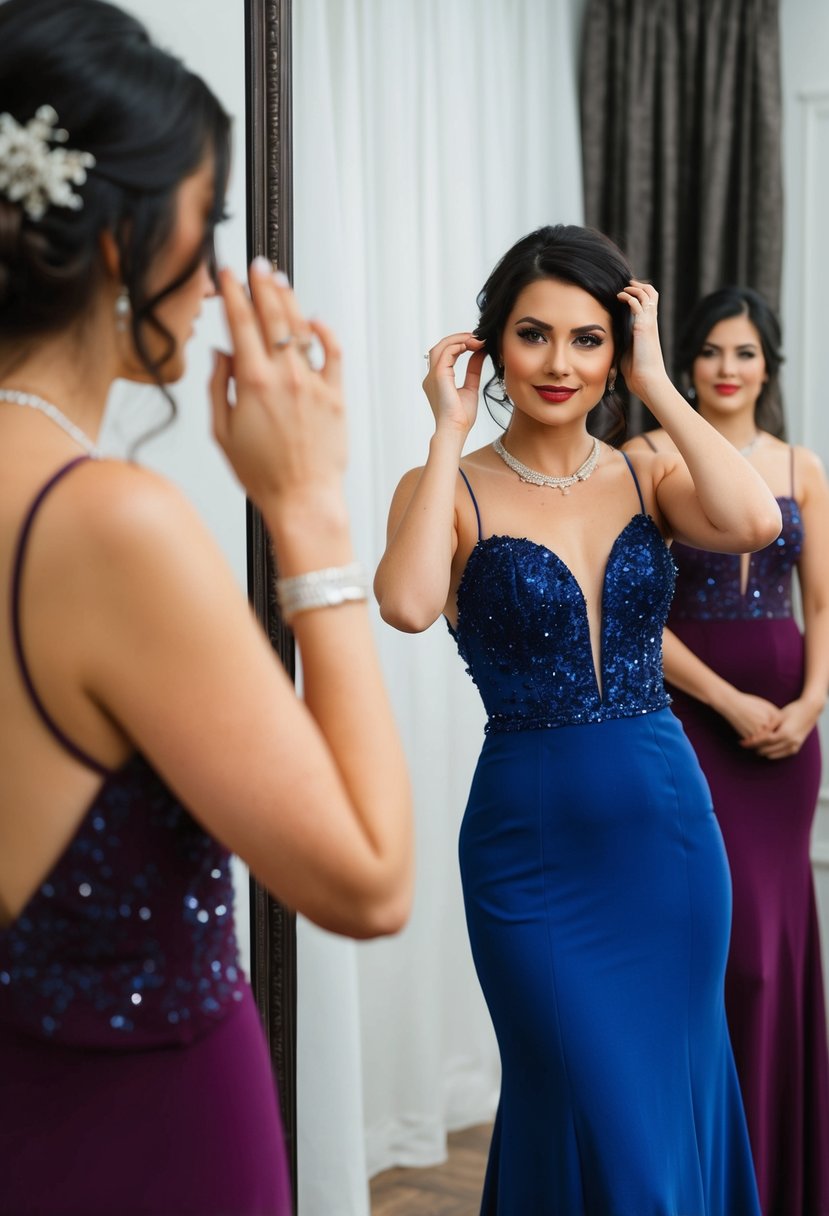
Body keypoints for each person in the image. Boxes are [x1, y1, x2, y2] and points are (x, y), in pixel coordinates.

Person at [0, 2, 413, 1214]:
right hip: (140, 1133)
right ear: (125, 244)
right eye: (210, 220)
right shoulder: (103, 524)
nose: (222, 271)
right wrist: (310, 513)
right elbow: (370, 879)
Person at [375, 224, 782, 1214]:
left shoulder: (647, 473)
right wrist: (442, 430)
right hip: (532, 850)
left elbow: (755, 521)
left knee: (670, 1100)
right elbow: (406, 601)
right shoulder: (451, 487)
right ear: (490, 348)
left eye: (587, 338)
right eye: (533, 334)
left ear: (615, 353)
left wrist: (662, 388)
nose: (560, 363)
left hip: (669, 839)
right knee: (580, 1098)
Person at [625, 286, 829, 1216]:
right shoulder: (642, 459)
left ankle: (781, 1172)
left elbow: (819, 606)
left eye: (742, 353)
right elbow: (627, 612)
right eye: (707, 351)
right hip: (690, 715)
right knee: (724, 948)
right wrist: (726, 698)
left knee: (778, 943)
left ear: (766, 367)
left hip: (790, 729)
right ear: (685, 362)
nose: (724, 368)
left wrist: (809, 703)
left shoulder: (803, 466)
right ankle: (707, 1171)